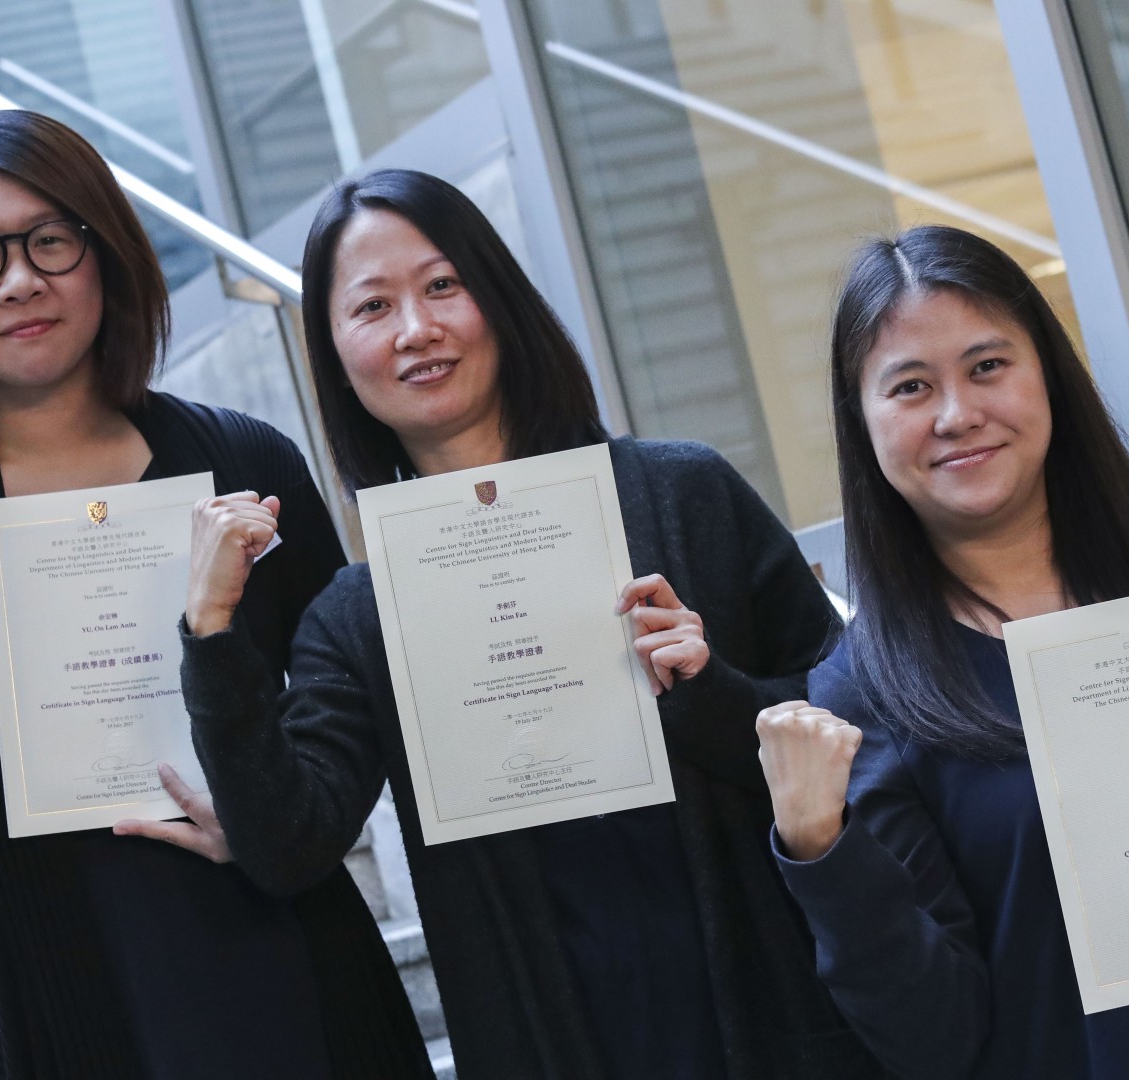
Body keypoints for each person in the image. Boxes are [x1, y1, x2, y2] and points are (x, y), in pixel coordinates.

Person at [136, 167, 881, 1079]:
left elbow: (862, 724)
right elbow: (292, 844)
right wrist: (211, 628)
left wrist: (712, 694)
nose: (417, 329)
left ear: (501, 297)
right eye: (372, 307)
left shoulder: (684, 494)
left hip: (779, 1023)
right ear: (334, 356)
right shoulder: (357, 615)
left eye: (443, 285)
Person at [0, 110, 429, 1078]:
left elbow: (347, 711)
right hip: (50, 981)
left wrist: (282, 818)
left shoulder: (244, 460)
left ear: (109, 253)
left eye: (51, 240)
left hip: (277, 950)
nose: (19, 280)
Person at [757, 223, 1129, 1078]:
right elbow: (933, 1041)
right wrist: (819, 850)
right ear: (863, 424)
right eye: (911, 387)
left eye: (988, 366)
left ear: (1048, 373)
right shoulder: (865, 693)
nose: (958, 415)